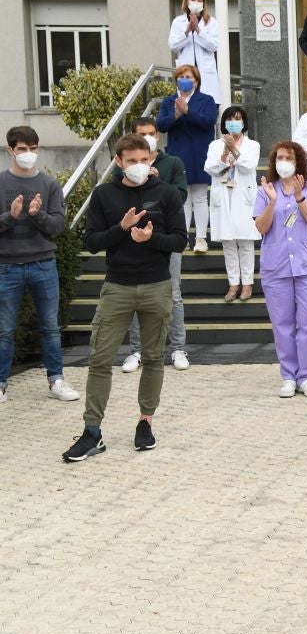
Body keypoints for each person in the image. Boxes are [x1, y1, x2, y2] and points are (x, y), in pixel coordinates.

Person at [62, 134, 188, 462]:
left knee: (153, 358)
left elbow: (179, 241)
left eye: (144, 160)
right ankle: (92, 432)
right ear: (119, 162)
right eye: (131, 161)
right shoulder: (104, 194)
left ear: (152, 159)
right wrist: (122, 226)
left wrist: (151, 238)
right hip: (117, 287)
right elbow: (91, 242)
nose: (138, 166)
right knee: (100, 359)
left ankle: (145, 422)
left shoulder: (167, 193)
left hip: (157, 287)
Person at [0, 126, 76, 404]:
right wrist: (11, 216)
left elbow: (57, 225)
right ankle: (0, 384)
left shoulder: (49, 185)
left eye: (33, 149)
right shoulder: (1, 183)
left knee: (50, 327)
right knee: (5, 329)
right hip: (6, 267)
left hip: (43, 264)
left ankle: (56, 379)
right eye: (22, 149)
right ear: (11, 151)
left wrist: (36, 215)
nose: (28, 154)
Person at [118, 116, 189, 374]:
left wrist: (158, 183)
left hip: (166, 238)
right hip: (135, 239)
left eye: (150, 133)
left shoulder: (172, 163)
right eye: (141, 133)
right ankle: (136, 350)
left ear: (157, 135)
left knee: (174, 293)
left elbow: (180, 195)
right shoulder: (125, 165)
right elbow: (118, 195)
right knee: (136, 295)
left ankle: (178, 348)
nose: (146, 137)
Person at [254, 141, 307, 399]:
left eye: (289, 157)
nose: (284, 161)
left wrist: (299, 197)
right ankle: (288, 376)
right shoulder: (265, 190)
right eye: (280, 157)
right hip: (276, 267)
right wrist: (272, 202)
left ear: (299, 162)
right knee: (282, 324)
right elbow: (261, 227)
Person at [156, 63, 217, 253]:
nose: (185, 80)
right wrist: (176, 114)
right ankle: (182, 237)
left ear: (197, 82)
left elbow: (208, 122)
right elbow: (161, 125)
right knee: (182, 198)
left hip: (199, 154)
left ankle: (200, 238)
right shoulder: (168, 101)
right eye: (182, 77)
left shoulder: (206, 100)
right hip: (178, 155)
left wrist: (188, 112)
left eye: (189, 77)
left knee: (199, 197)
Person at [205, 105, 261, 302]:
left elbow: (249, 166)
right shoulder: (214, 145)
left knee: (245, 242)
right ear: (224, 123)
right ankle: (233, 284)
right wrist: (223, 156)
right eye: (229, 119)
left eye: (237, 119)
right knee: (228, 243)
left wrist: (234, 150)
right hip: (223, 195)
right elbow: (210, 168)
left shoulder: (252, 145)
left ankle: (247, 284)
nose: (233, 123)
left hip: (243, 195)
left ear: (244, 123)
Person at [167, 0, 222, 102]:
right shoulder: (178, 22)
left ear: (203, 3)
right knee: (186, 108)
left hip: (206, 76)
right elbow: (173, 45)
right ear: (187, 1)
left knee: (206, 108)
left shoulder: (211, 22)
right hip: (186, 74)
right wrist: (187, 32)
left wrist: (197, 29)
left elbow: (214, 46)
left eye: (199, 0)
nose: (196, 2)